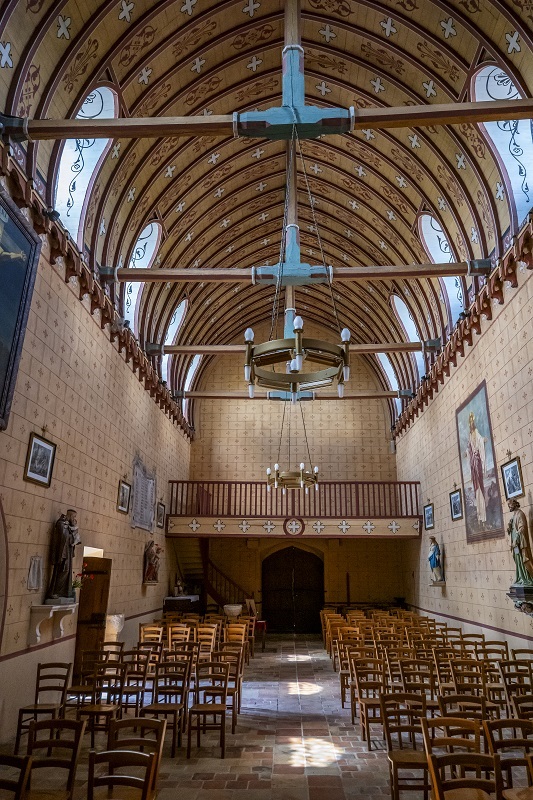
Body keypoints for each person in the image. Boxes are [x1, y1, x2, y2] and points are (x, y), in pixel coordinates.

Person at [46, 509, 81, 600]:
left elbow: (76, 539)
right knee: (61, 570)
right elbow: (63, 537)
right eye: (73, 517)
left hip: (68, 552)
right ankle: (54, 591)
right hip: (62, 552)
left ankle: (61, 592)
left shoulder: (70, 525)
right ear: (69, 515)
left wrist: (74, 529)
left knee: (67, 571)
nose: (74, 519)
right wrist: (71, 533)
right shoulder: (61, 523)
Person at [466, 412, 487, 527]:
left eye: (472, 423)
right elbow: (469, 448)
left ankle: (483, 516)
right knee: (476, 488)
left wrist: (483, 440)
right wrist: (467, 453)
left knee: (480, 485)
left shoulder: (476, 433)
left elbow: (479, 441)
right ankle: (479, 516)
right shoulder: (470, 436)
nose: (471, 425)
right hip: (473, 464)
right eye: (470, 423)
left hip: (477, 462)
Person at [507, 499, 533, 586]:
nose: (509, 507)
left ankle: (526, 577)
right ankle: (520, 577)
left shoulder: (520, 514)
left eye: (510, 505)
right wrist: (509, 528)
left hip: (520, 542)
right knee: (518, 560)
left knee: (523, 559)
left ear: (514, 504)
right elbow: (513, 528)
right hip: (515, 543)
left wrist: (516, 538)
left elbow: (522, 528)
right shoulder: (514, 515)